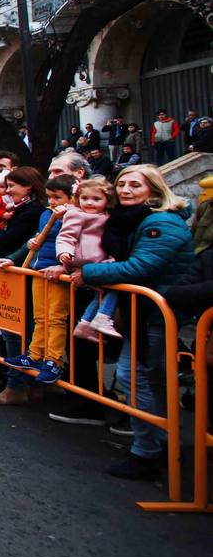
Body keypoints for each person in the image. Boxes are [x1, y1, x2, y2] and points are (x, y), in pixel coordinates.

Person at [70, 164, 193, 480]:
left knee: (134, 377)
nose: (125, 190)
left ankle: (148, 451)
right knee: (150, 380)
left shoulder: (162, 223)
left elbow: (140, 267)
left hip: (154, 312)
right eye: (122, 184)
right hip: (140, 310)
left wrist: (89, 274)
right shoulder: (131, 221)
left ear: (154, 188)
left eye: (135, 185)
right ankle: (161, 443)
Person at [0, 174, 78, 395]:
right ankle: (34, 355)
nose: (52, 202)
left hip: (58, 273)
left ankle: (53, 360)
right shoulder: (47, 214)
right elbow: (39, 237)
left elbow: (77, 244)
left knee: (56, 319)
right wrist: (27, 248)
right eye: (50, 197)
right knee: (41, 317)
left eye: (57, 197)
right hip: (40, 270)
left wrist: (65, 266)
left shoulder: (75, 217)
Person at [53, 178, 122, 341]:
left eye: (96, 199)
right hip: (84, 258)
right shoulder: (77, 214)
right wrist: (64, 252)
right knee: (112, 287)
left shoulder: (107, 215)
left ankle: (85, 323)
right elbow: (66, 236)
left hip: (99, 259)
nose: (90, 203)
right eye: (85, 199)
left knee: (103, 291)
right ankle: (102, 317)